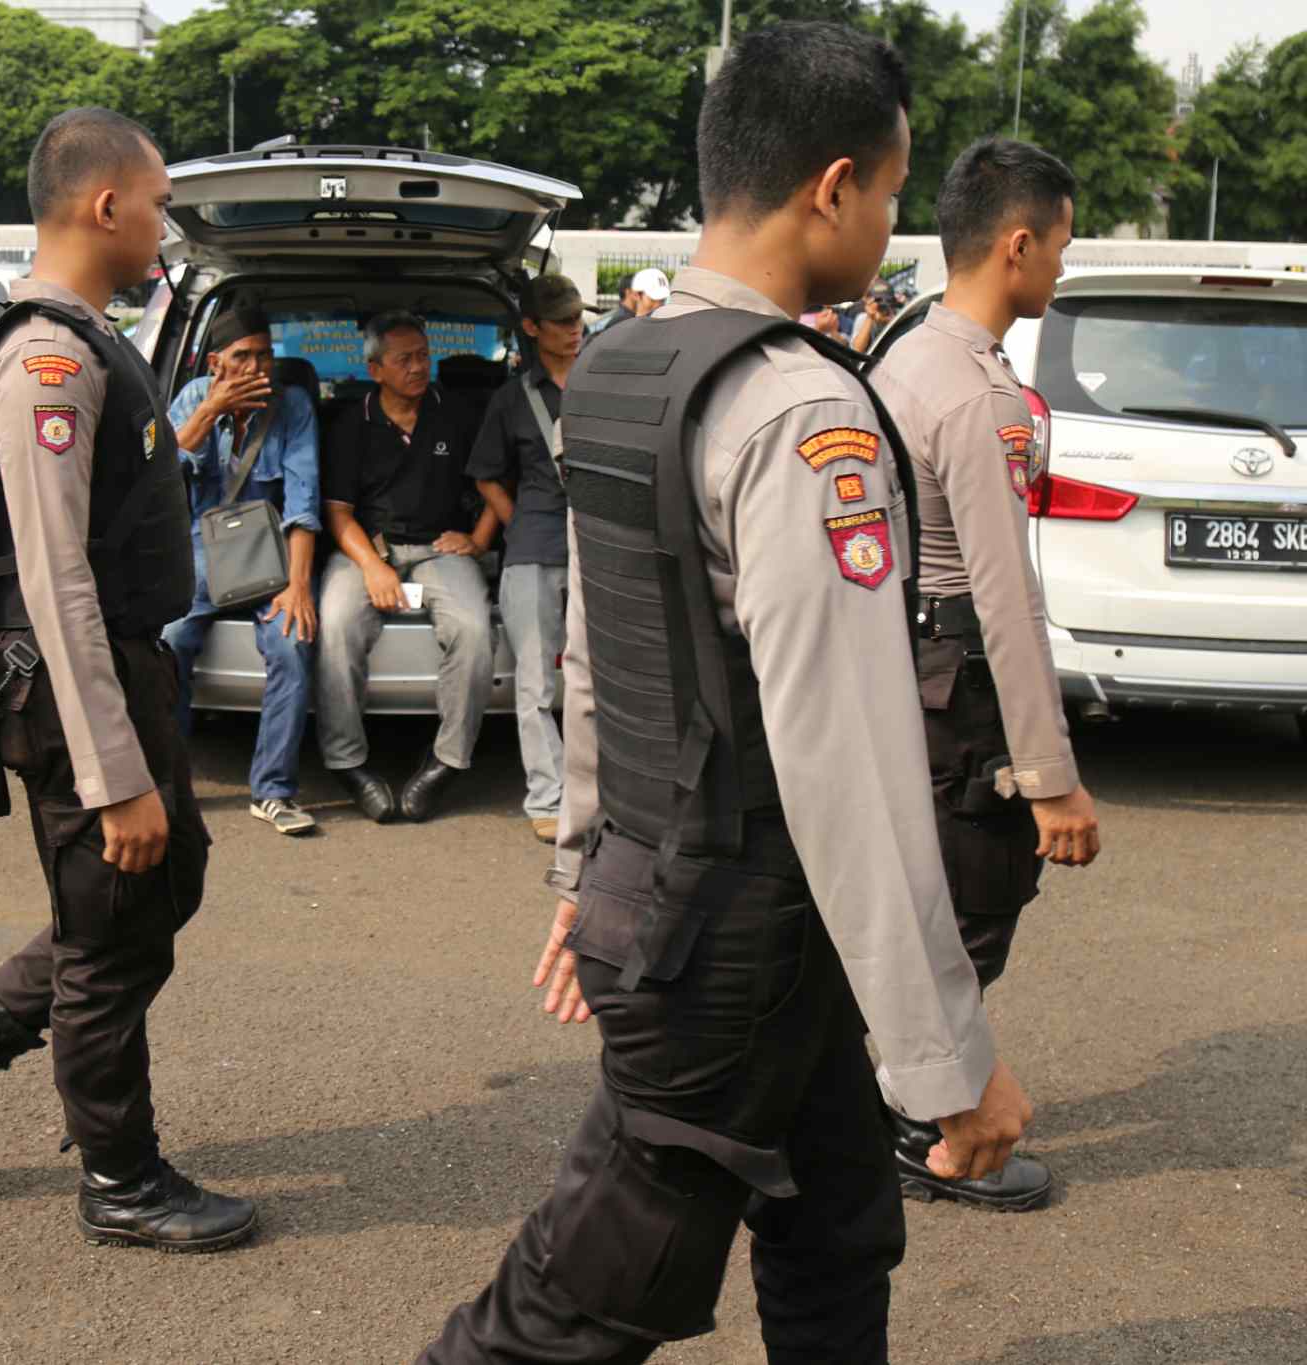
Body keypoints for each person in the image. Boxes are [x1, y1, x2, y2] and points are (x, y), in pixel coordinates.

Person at [421, 23, 1034, 1362]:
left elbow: (598, 657)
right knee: (580, 1299)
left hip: (700, 902)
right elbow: (848, 763)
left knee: (836, 1232)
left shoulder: (623, 366)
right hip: (730, 933)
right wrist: (949, 1060)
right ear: (832, 187)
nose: (891, 225)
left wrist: (586, 867)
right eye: (890, 193)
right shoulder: (799, 412)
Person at [0, 108, 256, 1253]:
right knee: (106, 936)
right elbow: (54, 580)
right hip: (69, 690)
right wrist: (112, 776)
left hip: (121, 672)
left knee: (160, 887)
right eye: (156, 204)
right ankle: (119, 1179)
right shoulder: (46, 358)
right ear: (105, 205)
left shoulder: (89, 341)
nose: (163, 226)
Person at [870, 135, 1101, 1212]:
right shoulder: (977, 395)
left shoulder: (903, 354)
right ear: (1016, 245)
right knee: (971, 909)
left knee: (920, 900)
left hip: (905, 663)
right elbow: (1007, 600)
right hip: (961, 683)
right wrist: (1049, 776)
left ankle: (885, 1106)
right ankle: (922, 1128)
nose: (1061, 263)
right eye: (1060, 244)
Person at [316, 312, 500, 824]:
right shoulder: (350, 423)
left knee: (473, 630)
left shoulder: (457, 413)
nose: (419, 367)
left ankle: (448, 762)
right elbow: (338, 513)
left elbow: (494, 482)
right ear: (375, 369)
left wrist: (479, 540)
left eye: (424, 355)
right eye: (404, 359)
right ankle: (348, 763)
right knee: (336, 625)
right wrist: (373, 567)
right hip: (366, 548)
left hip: (440, 548)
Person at [163, 306, 322, 837]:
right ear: (216, 363)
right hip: (199, 548)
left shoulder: (292, 405)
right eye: (242, 357)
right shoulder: (193, 398)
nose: (256, 368)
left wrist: (298, 586)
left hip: (267, 550)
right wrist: (211, 410)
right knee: (168, 642)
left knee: (292, 644)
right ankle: (168, 784)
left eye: (265, 356)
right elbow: (159, 477)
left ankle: (273, 791)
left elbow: (303, 502)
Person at [470, 275, 580, 844]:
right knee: (535, 684)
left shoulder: (602, 382)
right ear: (533, 328)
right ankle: (546, 797)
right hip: (534, 550)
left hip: (597, 549)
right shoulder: (511, 399)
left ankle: (602, 794)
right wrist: (519, 527)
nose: (574, 329)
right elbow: (486, 475)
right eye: (561, 322)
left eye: (578, 318)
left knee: (599, 682)